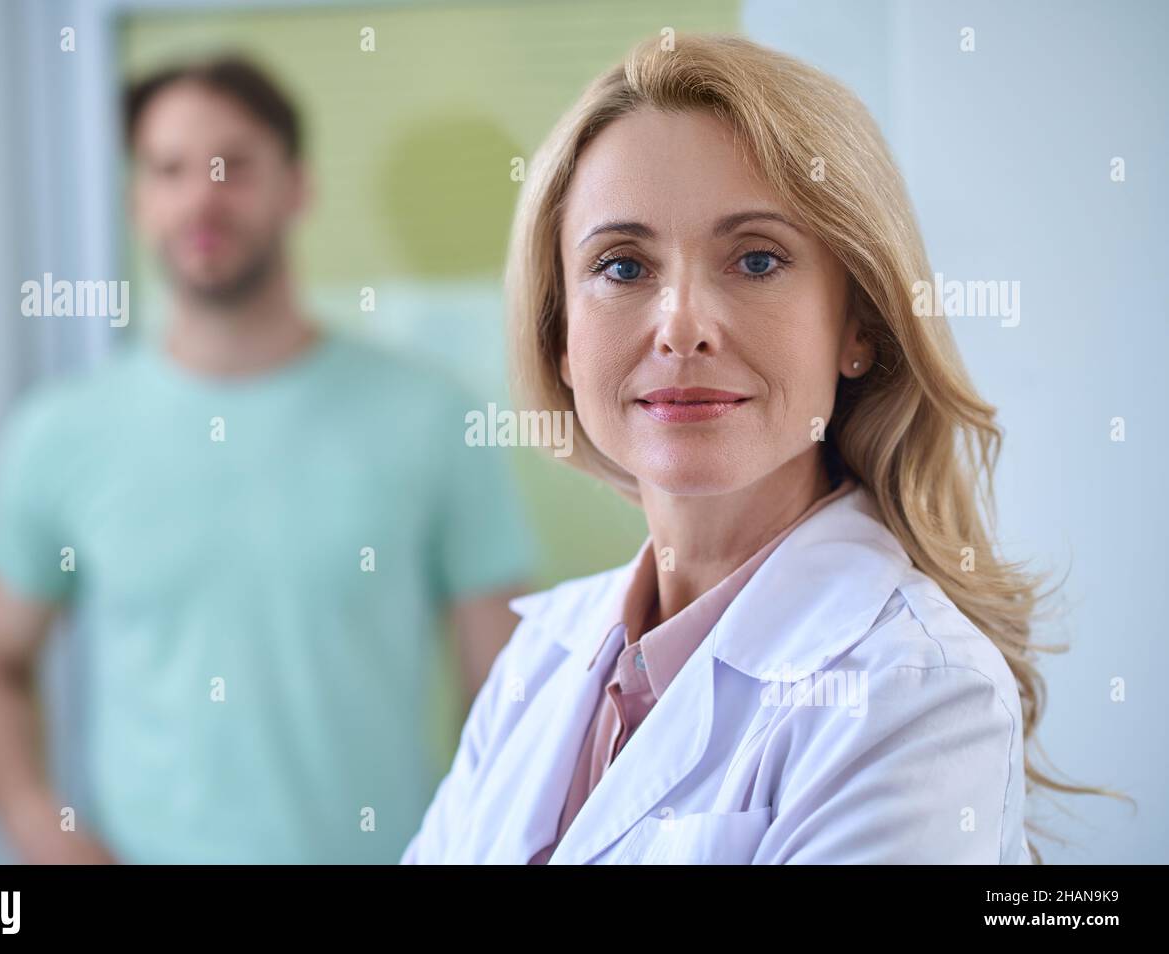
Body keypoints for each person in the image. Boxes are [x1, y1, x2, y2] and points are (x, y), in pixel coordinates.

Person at [401, 32, 1080, 865]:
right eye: (621, 267)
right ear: (562, 339)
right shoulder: (539, 661)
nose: (681, 325)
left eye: (756, 259)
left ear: (857, 325)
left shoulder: (914, 690)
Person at [0, 57, 535, 864]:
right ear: (137, 200)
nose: (202, 195)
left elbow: (507, 691)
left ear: (296, 187)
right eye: (169, 169)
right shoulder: (59, 434)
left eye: (232, 165)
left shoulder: (433, 419)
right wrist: (43, 833)